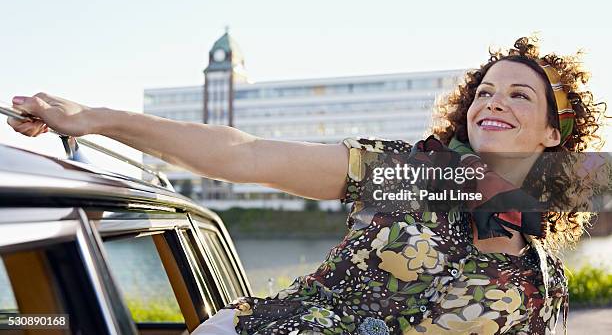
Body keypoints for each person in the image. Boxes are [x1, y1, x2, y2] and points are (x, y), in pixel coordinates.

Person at [7, 36, 607, 335]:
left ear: (553, 134)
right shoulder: (412, 177)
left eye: (518, 94)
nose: (492, 103)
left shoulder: (541, 273)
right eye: (484, 92)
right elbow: (246, 155)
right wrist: (98, 120)